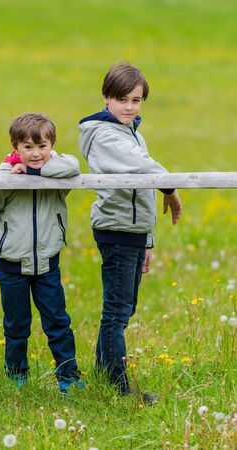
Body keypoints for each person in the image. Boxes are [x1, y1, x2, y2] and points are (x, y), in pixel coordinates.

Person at [78, 63, 182, 403]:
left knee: (123, 309)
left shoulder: (132, 132)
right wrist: (171, 188)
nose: (129, 107)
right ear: (106, 99)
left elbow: (142, 194)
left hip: (132, 231)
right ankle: (118, 388)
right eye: (121, 99)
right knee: (117, 311)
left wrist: (147, 240)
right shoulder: (106, 136)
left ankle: (105, 374)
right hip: (116, 229)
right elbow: (144, 170)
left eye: (135, 100)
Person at [0, 112, 84, 392]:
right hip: (11, 265)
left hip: (47, 264)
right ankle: (16, 375)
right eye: (27, 147)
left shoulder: (57, 170)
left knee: (58, 322)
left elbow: (72, 166)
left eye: (42, 146)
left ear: (51, 146)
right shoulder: (5, 179)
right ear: (15, 147)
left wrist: (35, 172)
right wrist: (3, 241)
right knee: (16, 324)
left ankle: (69, 377)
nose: (36, 153)